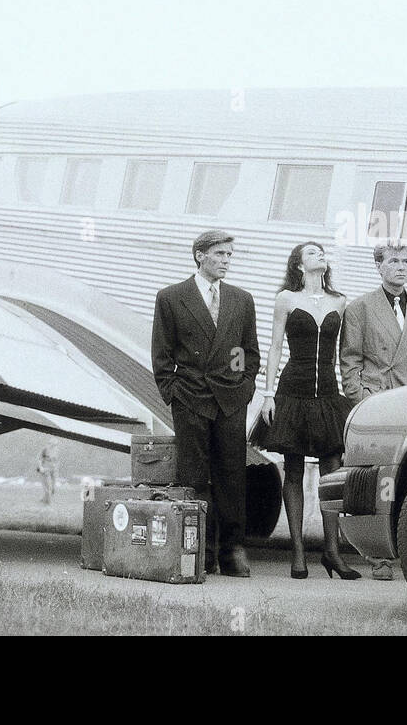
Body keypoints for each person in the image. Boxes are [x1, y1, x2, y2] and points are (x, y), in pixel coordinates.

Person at [151, 229, 260, 577]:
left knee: (232, 476)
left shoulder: (241, 300)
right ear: (200, 255)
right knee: (194, 477)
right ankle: (200, 551)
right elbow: (162, 355)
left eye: (230, 255)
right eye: (220, 254)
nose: (227, 261)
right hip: (191, 398)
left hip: (230, 400)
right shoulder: (171, 298)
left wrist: (242, 386)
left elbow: (246, 351)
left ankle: (232, 550)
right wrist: (174, 393)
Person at [254, 242, 360, 580]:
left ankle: (332, 551)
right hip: (292, 390)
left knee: (332, 472)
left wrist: (351, 393)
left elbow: (344, 354)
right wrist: (268, 395)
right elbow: (273, 347)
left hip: (328, 393)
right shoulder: (286, 298)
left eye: (321, 252)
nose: (321, 256)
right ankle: (298, 550)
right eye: (312, 253)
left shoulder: (339, 301)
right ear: (300, 266)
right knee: (295, 470)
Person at [339, 241, 407, 579]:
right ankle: (377, 555)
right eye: (394, 261)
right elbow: (349, 360)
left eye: (406, 261)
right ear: (379, 266)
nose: (401, 267)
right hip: (377, 404)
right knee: (373, 480)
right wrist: (362, 399)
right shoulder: (359, 309)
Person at [36, 439, 59, 504]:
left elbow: (56, 461)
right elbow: (39, 459)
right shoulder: (44, 449)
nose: (53, 446)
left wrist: (56, 470)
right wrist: (41, 467)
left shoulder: (56, 451)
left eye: (55, 445)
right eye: (51, 444)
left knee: (53, 489)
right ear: (49, 443)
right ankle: (48, 503)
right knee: (48, 487)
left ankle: (44, 499)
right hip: (45, 469)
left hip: (53, 470)